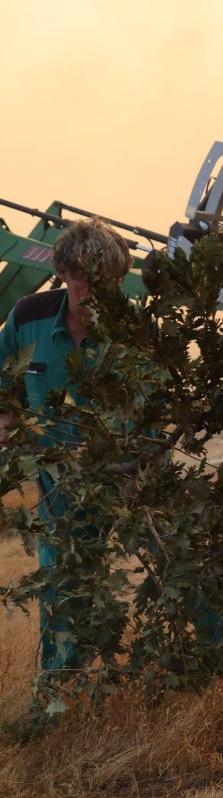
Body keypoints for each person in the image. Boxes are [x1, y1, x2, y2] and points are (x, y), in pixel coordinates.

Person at [0, 218, 134, 673]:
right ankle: (61, 691)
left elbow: (159, 408)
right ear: (62, 270)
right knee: (63, 589)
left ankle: (212, 674)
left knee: (188, 571)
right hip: (58, 487)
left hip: (132, 481)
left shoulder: (135, 327)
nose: (96, 290)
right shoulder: (27, 317)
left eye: (108, 279)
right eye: (86, 278)